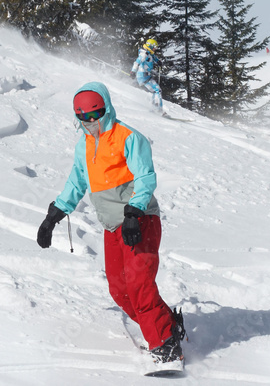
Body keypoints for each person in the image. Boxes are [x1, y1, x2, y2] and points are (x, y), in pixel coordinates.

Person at [36, 82, 185, 370]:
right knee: (121, 291)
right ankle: (168, 325)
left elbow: (145, 177)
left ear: (106, 109)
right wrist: (54, 214)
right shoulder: (84, 145)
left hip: (139, 221)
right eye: (84, 117)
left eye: (96, 114)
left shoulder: (128, 137)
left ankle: (166, 348)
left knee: (140, 287)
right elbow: (77, 181)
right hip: (112, 226)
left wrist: (134, 211)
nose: (91, 122)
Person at [131, 38, 163, 112]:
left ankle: (154, 108)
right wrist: (133, 71)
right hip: (143, 76)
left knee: (155, 91)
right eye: (155, 47)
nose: (155, 49)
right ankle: (159, 110)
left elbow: (154, 58)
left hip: (145, 76)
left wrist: (158, 62)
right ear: (150, 46)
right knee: (158, 90)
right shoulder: (144, 54)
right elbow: (137, 62)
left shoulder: (149, 53)